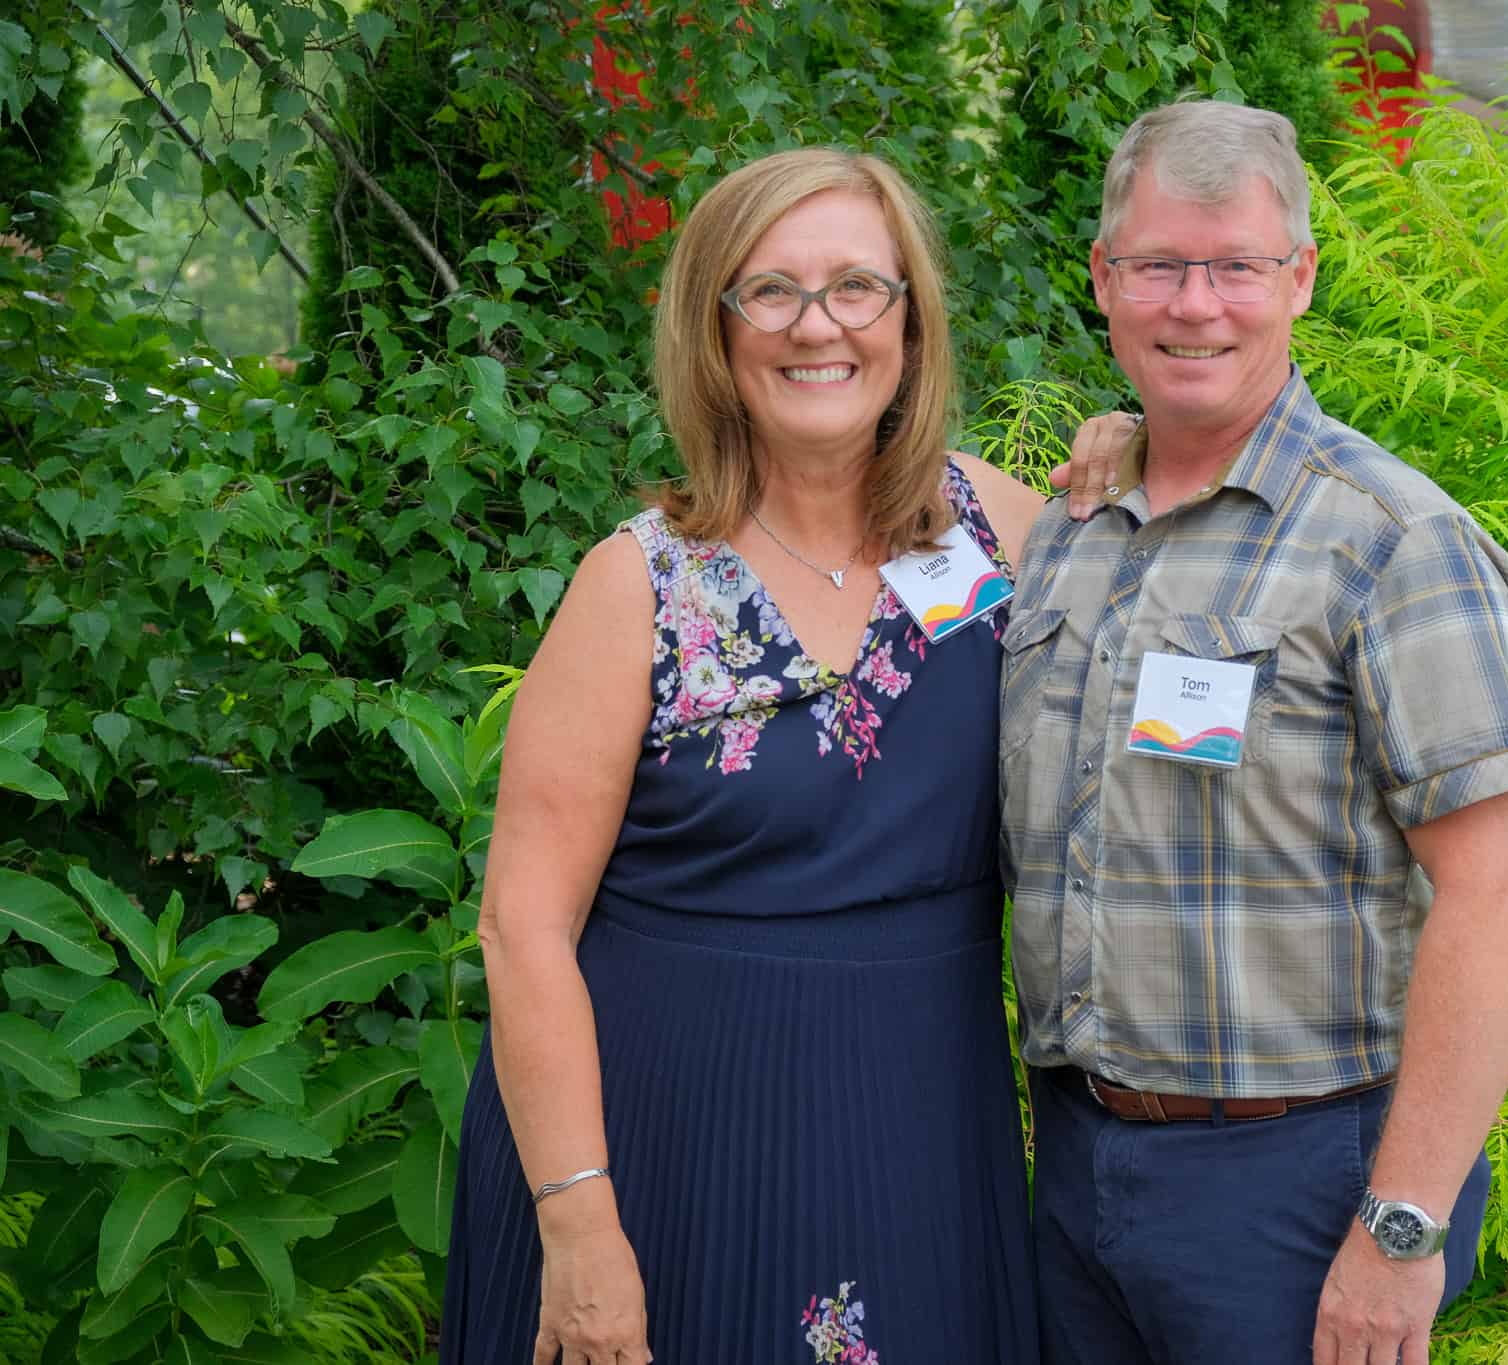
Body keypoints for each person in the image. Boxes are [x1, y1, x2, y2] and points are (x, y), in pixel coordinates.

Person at [441, 147, 1123, 1365]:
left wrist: (1139, 444)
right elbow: (521, 927)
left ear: (909, 319)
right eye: (771, 291)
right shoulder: (636, 586)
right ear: (714, 330)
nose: (818, 326)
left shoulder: (1007, 534)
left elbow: (1186, 590)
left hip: (917, 1139)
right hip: (655, 1157)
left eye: (857, 286)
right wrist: (579, 1222)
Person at [1000, 100, 1508, 1365]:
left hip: (1298, 1186)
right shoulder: (1067, 535)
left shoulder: (1393, 542)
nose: (1194, 305)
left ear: (1298, 278)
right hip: (1077, 1162)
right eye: (1157, 265)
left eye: (1236, 267)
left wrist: (1401, 1229)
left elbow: (1501, 891)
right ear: (1102, 278)